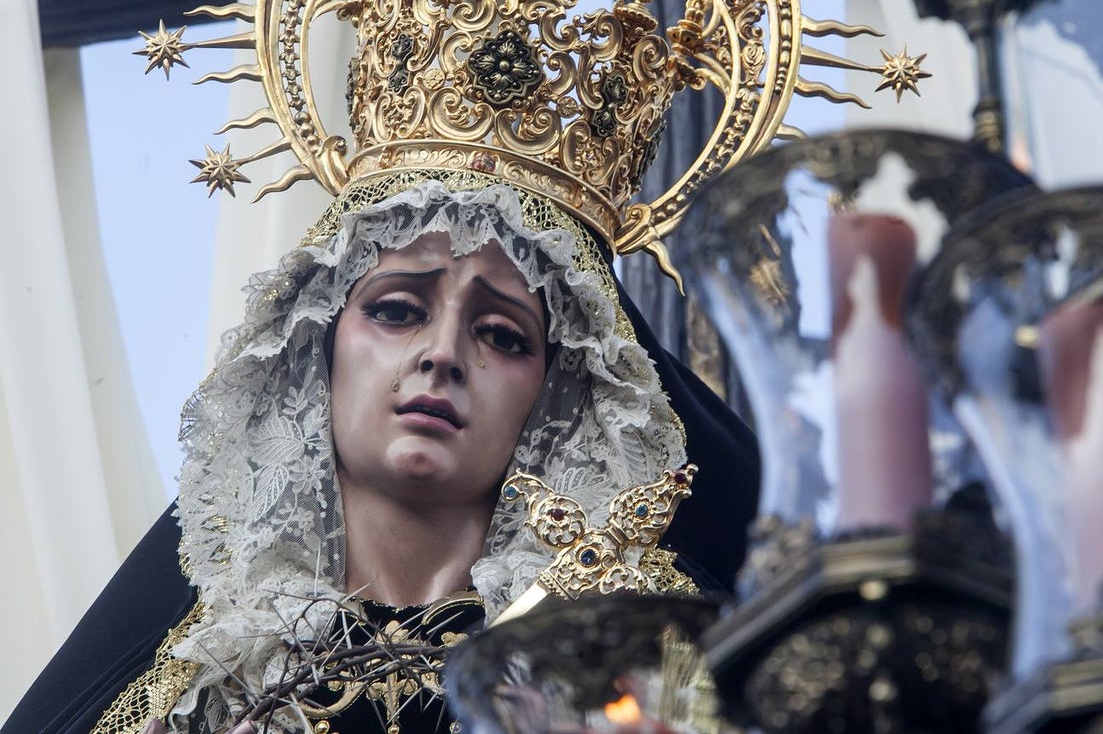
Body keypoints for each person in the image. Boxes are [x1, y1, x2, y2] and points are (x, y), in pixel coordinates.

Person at [4, 173, 759, 734]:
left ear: (561, 395)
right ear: (313, 349)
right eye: (398, 310)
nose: (442, 354)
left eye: (501, 333)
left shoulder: (635, 650)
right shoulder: (207, 665)